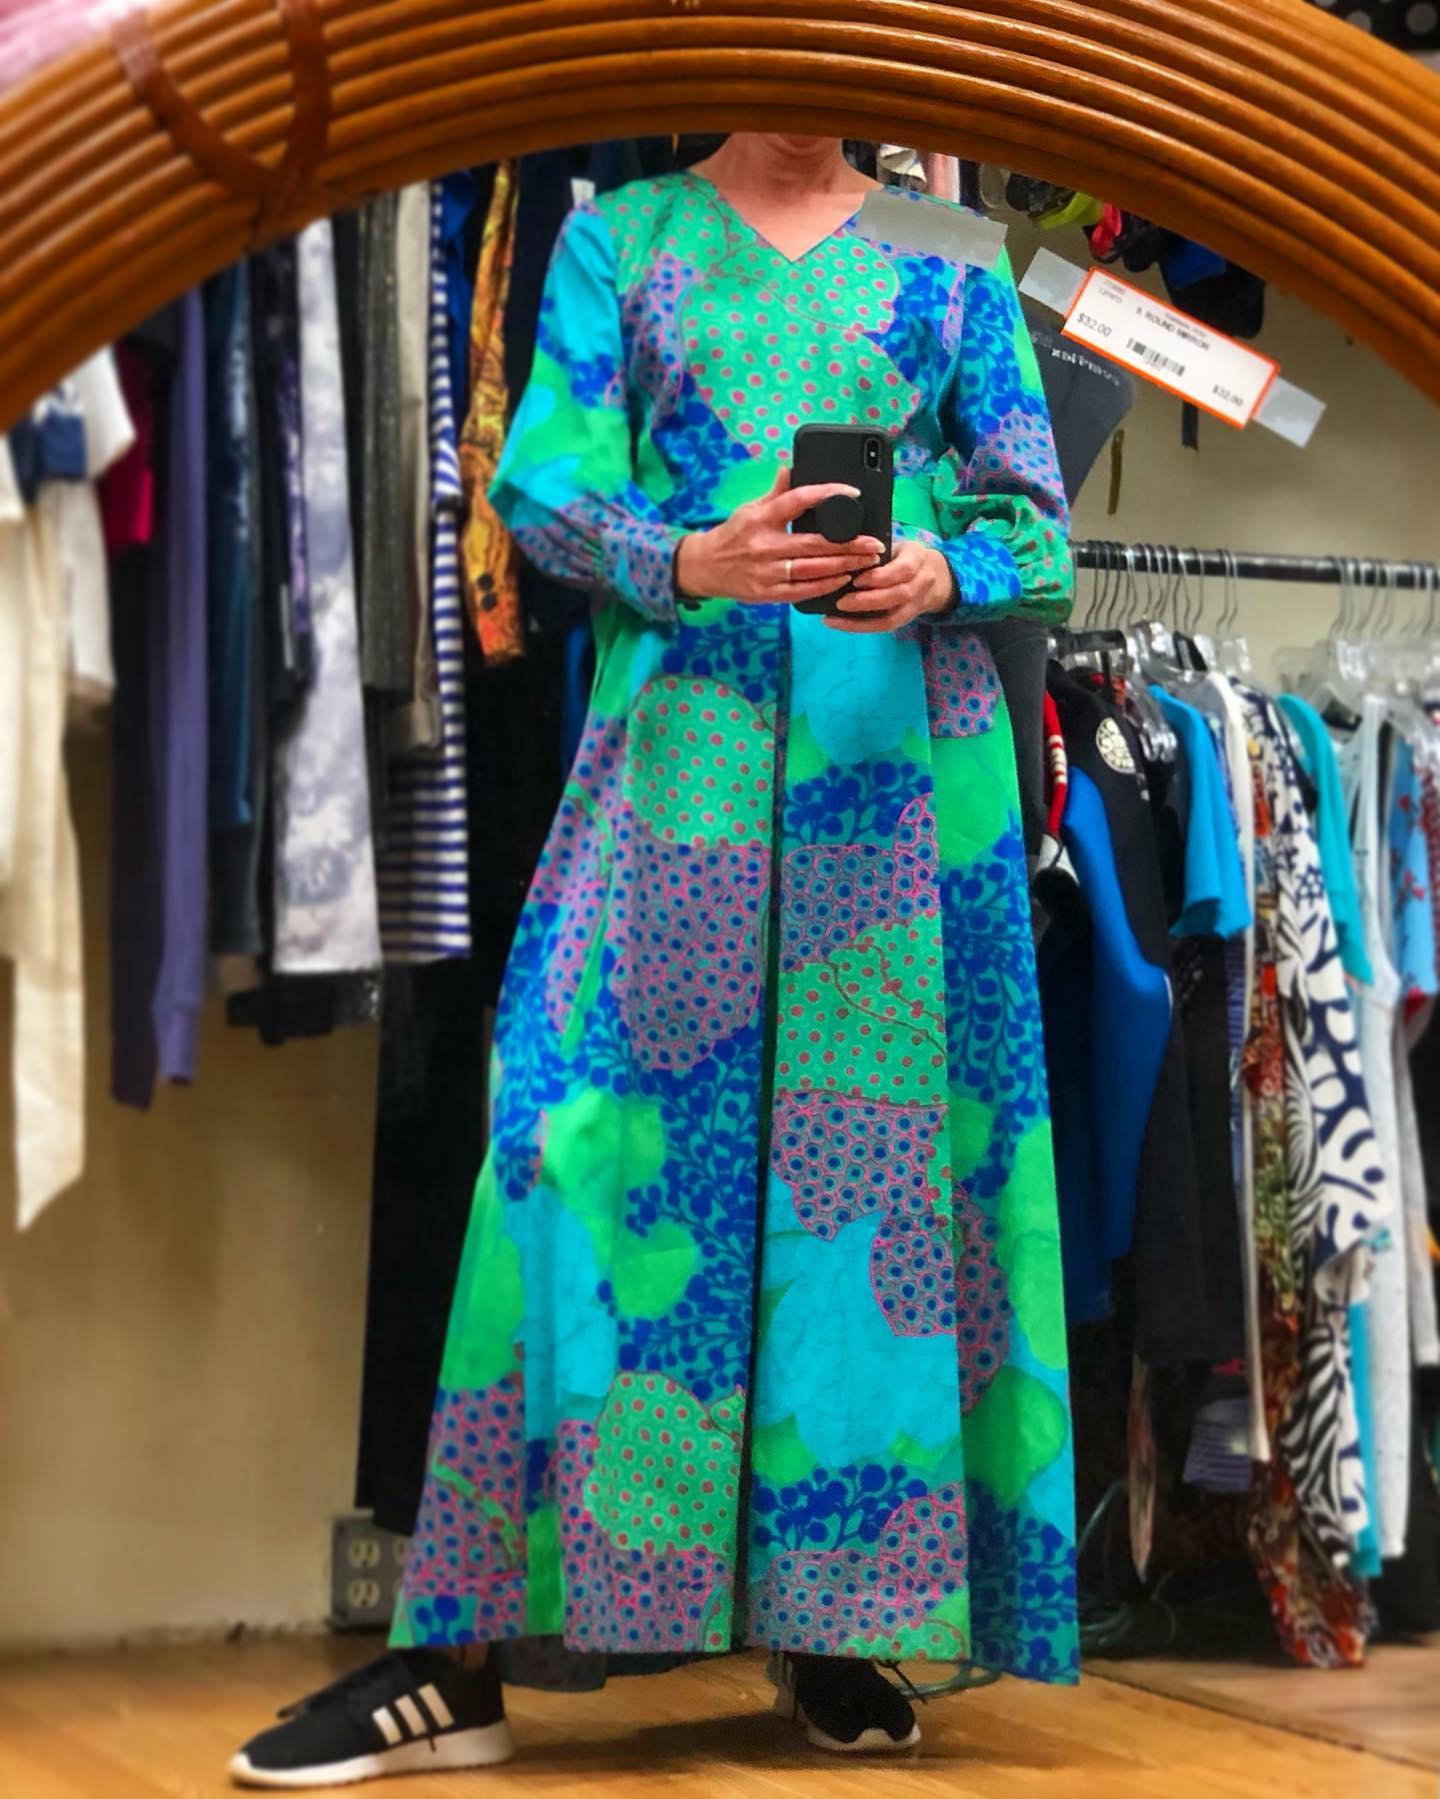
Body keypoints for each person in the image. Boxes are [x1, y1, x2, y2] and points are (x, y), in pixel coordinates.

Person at [231, 132, 1079, 1789]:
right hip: (675, 771)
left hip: (899, 790)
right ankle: (458, 1655)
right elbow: (539, 489)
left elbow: (1037, 523)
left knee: (871, 1202)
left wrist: (942, 565)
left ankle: (832, 1617)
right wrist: (691, 559)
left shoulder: (953, 245)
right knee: (568, 1159)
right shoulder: (619, 238)